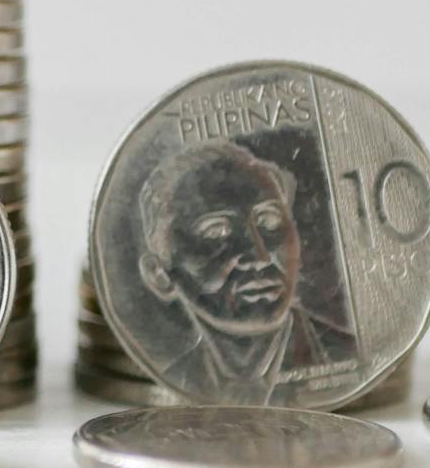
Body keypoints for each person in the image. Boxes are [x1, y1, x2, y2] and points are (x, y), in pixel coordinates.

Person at [136, 139, 353, 404]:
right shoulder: (171, 376)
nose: (259, 256)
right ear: (159, 274)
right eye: (216, 231)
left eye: (269, 221)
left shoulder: (348, 357)